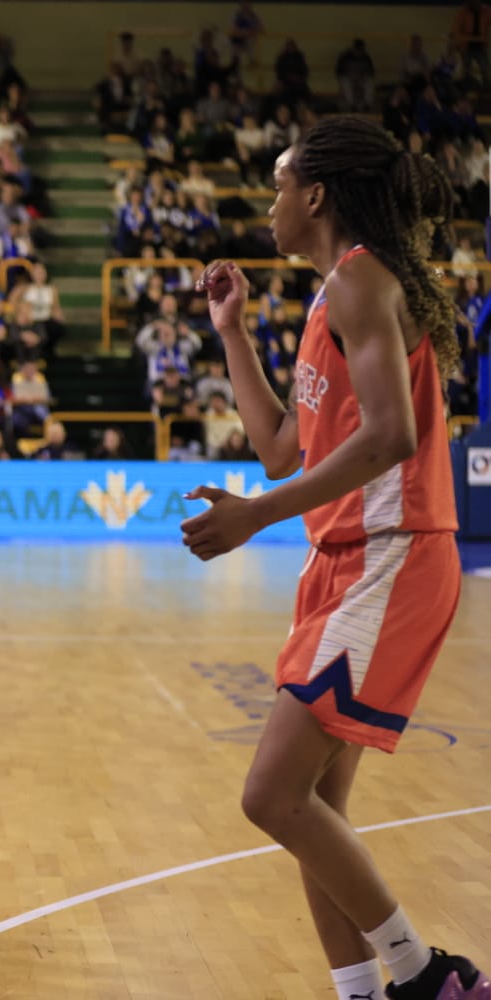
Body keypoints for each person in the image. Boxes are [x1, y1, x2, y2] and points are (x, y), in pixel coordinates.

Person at [184, 118, 489, 1000]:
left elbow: (390, 438)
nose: (270, 204)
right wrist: (232, 331)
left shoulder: (360, 283)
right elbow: (283, 446)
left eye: (279, 186)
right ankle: (363, 991)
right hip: (346, 564)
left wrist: (254, 521)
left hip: (389, 560)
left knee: (271, 798)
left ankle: (426, 975)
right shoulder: (328, 296)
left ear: (315, 195)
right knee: (315, 810)